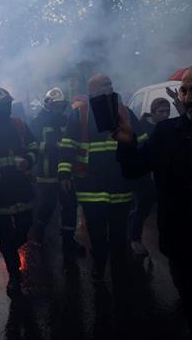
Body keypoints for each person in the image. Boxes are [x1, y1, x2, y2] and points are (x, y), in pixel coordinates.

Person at [114, 63, 192, 338]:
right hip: (189, 251)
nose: (187, 97)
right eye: (183, 91)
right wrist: (126, 143)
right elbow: (134, 169)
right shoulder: (167, 133)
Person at [58, 75, 145, 287]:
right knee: (97, 233)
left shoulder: (124, 111)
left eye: (110, 84)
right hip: (91, 184)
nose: (109, 87)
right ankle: (98, 264)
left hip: (120, 184)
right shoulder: (81, 113)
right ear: (92, 91)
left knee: (118, 232)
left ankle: (119, 272)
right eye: (103, 85)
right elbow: (68, 144)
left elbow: (141, 141)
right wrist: (64, 173)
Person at [0, 87, 38, 297]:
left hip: (21, 187)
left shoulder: (20, 125)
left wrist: (28, 160)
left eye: (7, 105)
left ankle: (11, 249)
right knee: (4, 233)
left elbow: (34, 147)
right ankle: (14, 276)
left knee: (25, 225)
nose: (7, 109)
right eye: (2, 106)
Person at [30, 87, 83, 262]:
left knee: (69, 205)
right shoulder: (38, 121)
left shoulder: (66, 120)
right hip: (46, 173)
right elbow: (34, 145)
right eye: (56, 105)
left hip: (65, 171)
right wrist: (56, 146)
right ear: (48, 104)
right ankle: (38, 234)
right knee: (47, 205)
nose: (59, 108)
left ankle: (69, 241)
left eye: (62, 105)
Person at [129, 98, 170, 258]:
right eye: (161, 111)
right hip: (144, 176)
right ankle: (134, 238)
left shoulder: (166, 127)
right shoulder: (143, 128)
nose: (165, 115)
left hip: (162, 174)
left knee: (153, 206)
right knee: (143, 207)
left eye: (167, 111)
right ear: (153, 112)